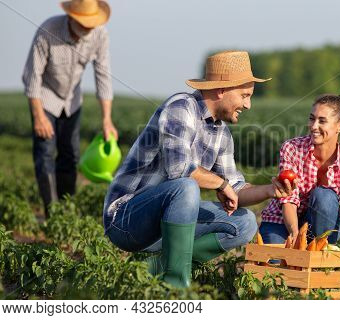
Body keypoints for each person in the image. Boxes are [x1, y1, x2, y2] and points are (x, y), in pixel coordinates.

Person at [103, 51, 297, 288]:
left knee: (245, 222)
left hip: (164, 226)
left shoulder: (222, 133)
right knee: (184, 187)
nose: (248, 104)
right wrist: (221, 184)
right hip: (127, 219)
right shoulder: (181, 108)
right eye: (244, 95)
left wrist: (269, 190)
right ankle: (176, 287)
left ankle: (154, 269)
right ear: (221, 90)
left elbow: (235, 188)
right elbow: (180, 170)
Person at [259, 93, 340, 269]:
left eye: (322, 121)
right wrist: (296, 237)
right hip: (281, 221)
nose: (314, 126)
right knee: (276, 267)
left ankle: (319, 257)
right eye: (312, 119)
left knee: (324, 196)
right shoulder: (292, 149)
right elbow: (289, 198)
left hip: (319, 226)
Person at [22, 0, 118, 216]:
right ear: (72, 18)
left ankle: (66, 210)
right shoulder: (48, 31)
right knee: (45, 152)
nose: (88, 28)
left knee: (71, 154)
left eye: (91, 23)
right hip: (45, 97)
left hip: (72, 100)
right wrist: (38, 117)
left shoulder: (99, 35)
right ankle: (52, 213)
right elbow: (32, 77)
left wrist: (107, 119)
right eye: (84, 24)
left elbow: (103, 76)